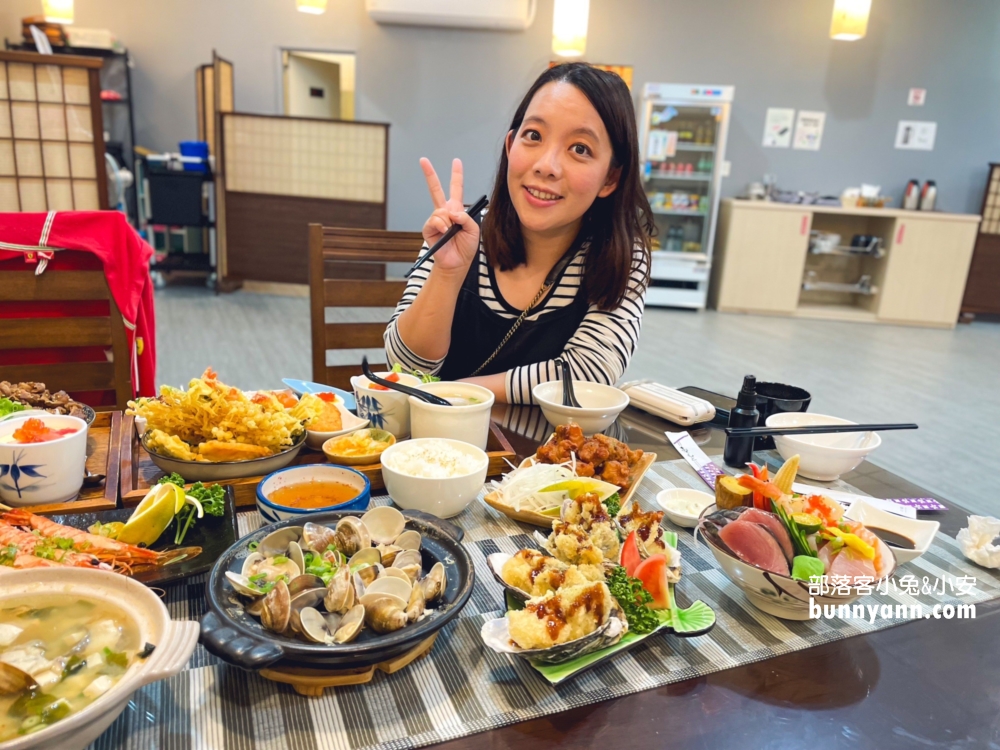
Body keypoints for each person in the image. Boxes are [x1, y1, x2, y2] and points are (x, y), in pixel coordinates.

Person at [384, 62, 653, 404]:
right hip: (435, 447)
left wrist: (458, 394)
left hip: (546, 454)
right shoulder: (460, 231)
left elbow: (588, 373)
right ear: (510, 146)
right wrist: (447, 273)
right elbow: (405, 368)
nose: (546, 166)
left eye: (580, 148)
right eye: (534, 136)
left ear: (611, 178)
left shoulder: (622, 258)